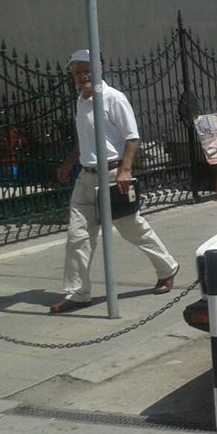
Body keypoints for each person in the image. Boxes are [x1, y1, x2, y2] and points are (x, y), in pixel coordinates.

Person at [50, 50, 180, 313]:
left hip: (112, 175)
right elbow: (85, 139)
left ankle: (167, 267)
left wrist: (125, 170)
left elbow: (132, 137)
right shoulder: (81, 100)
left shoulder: (113, 98)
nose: (83, 76)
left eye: (87, 71)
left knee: (132, 228)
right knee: (77, 237)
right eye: (78, 72)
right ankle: (78, 293)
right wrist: (69, 162)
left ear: (98, 70)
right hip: (86, 177)